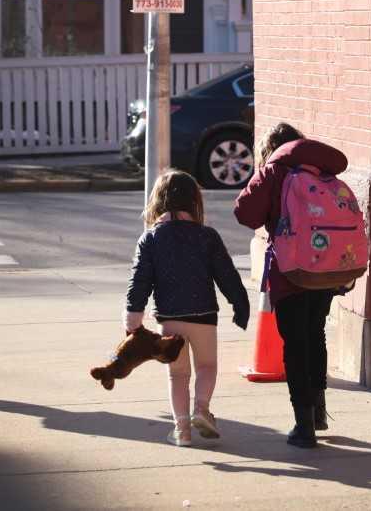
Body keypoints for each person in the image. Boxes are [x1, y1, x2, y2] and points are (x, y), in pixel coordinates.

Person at [234, 122, 349, 448]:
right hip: (324, 271)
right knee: (315, 335)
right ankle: (318, 411)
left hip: (290, 272)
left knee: (295, 343)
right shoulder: (321, 170)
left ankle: (303, 425)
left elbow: (244, 213)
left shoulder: (274, 171)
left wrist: (262, 173)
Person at [125, 170, 250, 447]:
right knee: (206, 366)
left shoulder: (151, 238)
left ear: (157, 202)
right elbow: (226, 274)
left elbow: (139, 280)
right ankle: (202, 409)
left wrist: (133, 317)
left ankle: (181, 429)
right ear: (195, 202)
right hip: (204, 315)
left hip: (169, 318)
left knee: (177, 374)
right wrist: (240, 303)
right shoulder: (207, 236)